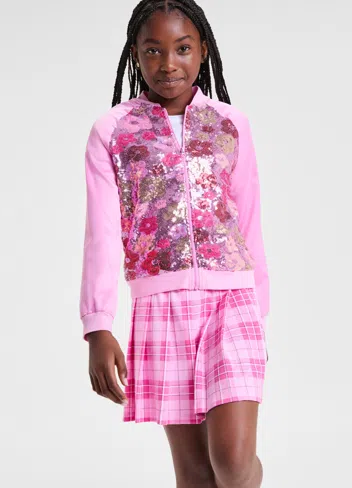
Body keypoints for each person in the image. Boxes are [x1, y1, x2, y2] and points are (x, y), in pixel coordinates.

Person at [79, 1, 270, 486]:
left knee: (233, 462)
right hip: (161, 307)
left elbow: (249, 219)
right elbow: (102, 232)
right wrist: (98, 326)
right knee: (196, 473)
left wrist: (260, 312)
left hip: (232, 301)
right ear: (135, 55)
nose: (168, 64)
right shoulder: (112, 131)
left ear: (202, 50)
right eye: (153, 50)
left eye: (183, 49)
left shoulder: (230, 124)